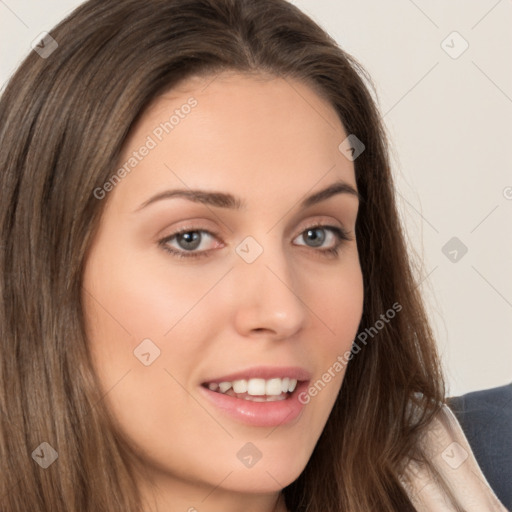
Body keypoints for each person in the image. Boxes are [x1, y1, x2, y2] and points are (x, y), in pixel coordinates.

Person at [0, 1, 507, 511]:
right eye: (191, 238)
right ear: (41, 271)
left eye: (317, 235)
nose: (283, 312)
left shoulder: (483, 469)